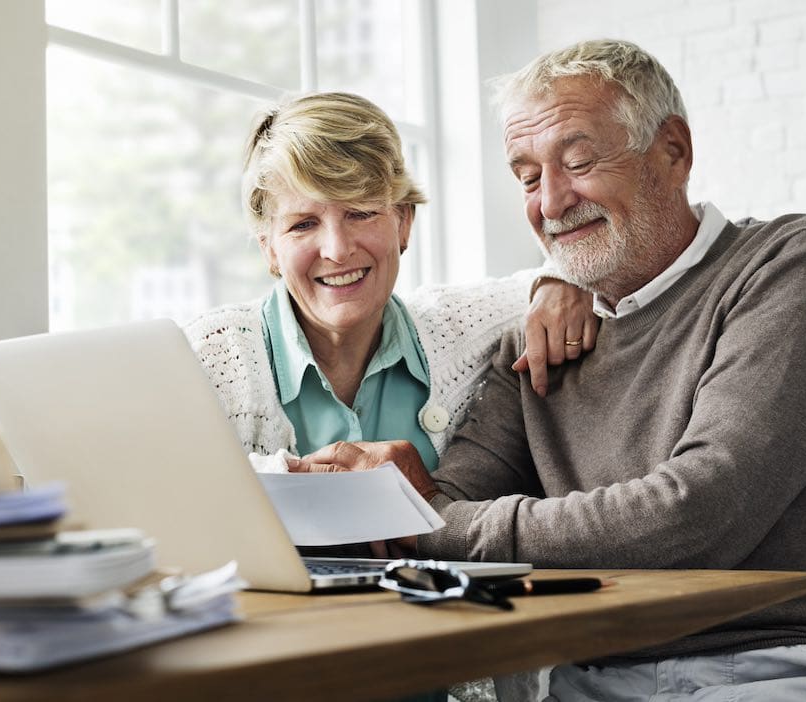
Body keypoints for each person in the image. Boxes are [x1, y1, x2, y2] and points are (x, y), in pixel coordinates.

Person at [292, 40, 806, 701]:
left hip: (777, 664)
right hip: (588, 678)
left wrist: (433, 521)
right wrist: (381, 503)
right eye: (528, 178)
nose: (551, 203)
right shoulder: (534, 343)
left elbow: (700, 511)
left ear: (673, 152)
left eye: (579, 162)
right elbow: (442, 508)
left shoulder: (796, 265)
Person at [184, 91, 596, 702]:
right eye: (303, 224)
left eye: (360, 213)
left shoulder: (464, 330)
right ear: (269, 246)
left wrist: (561, 280)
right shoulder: (207, 356)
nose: (337, 248)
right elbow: (149, 509)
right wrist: (286, 480)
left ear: (403, 222)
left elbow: (587, 256)